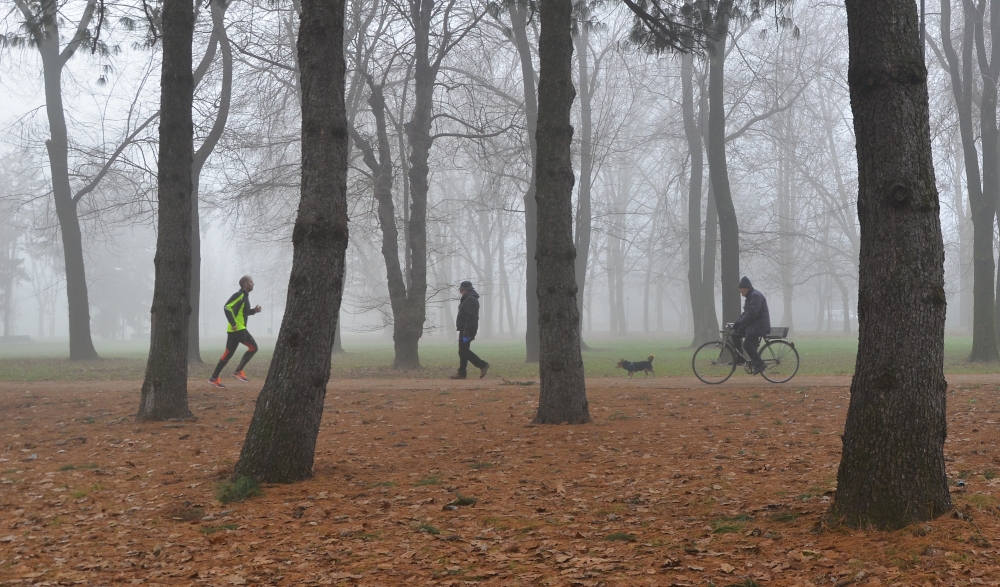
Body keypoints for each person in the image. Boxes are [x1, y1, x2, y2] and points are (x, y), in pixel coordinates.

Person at [208, 275, 262, 388]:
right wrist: (233, 323)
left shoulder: (245, 297)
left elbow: (242, 312)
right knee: (253, 347)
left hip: (234, 330)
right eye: (251, 282)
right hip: (238, 328)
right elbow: (227, 307)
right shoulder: (239, 295)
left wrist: (254, 311)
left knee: (228, 354)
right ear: (245, 284)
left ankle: (213, 378)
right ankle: (238, 372)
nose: (253, 283)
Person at [450, 281, 490, 380]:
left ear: (466, 290)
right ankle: (462, 372)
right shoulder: (469, 299)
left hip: (467, 330)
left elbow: (470, 316)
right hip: (465, 329)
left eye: (461, 290)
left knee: (464, 350)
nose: (460, 292)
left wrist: (466, 330)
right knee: (462, 350)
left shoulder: (470, 300)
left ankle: (482, 365)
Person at [733, 276, 771, 374]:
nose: (740, 293)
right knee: (735, 335)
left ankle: (760, 364)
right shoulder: (750, 297)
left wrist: (740, 323)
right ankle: (740, 358)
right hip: (752, 325)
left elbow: (752, 313)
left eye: (741, 290)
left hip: (759, 326)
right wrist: (737, 323)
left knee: (748, 344)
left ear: (746, 288)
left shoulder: (756, 296)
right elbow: (745, 313)